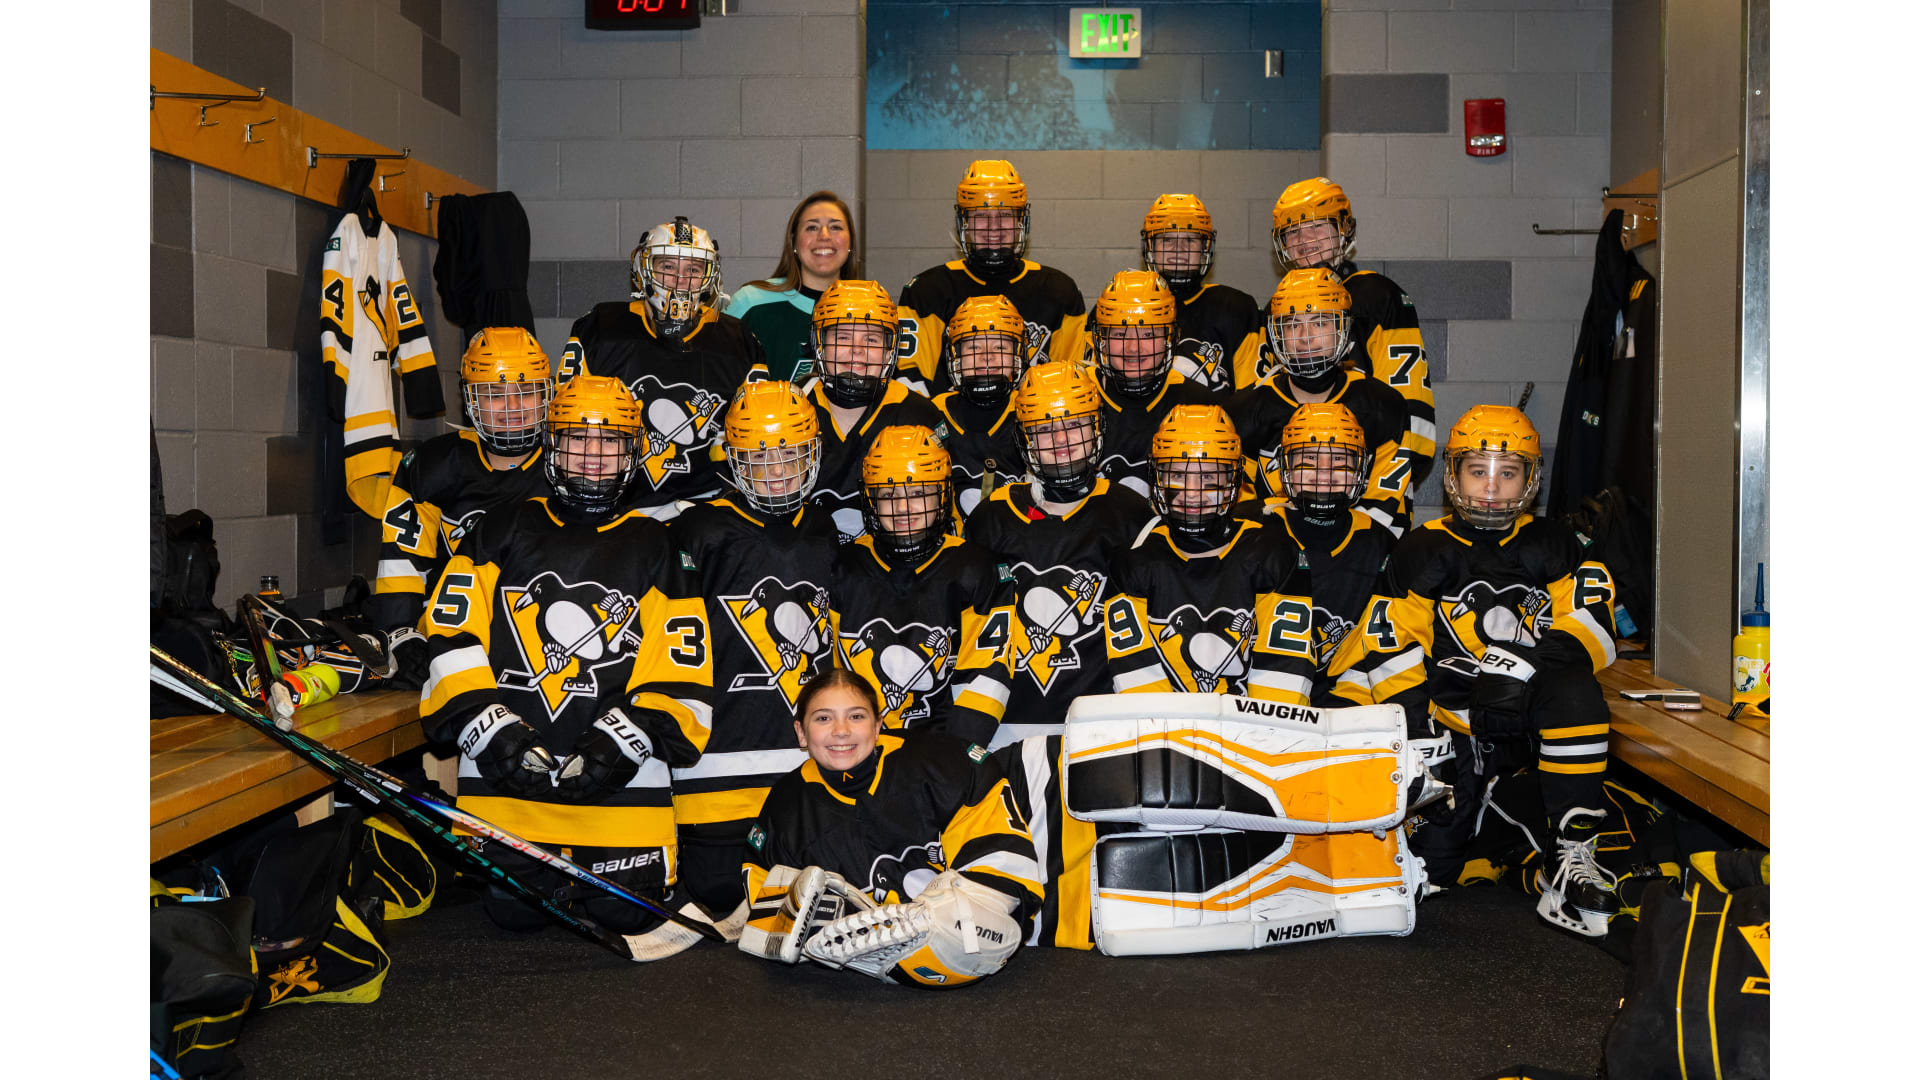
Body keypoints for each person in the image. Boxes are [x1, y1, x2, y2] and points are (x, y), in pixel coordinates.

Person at [416, 375, 715, 934]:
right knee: (513, 915)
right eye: (578, 438)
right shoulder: (499, 530)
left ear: (633, 451)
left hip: (623, 794)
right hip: (509, 790)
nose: (593, 454)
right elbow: (450, 635)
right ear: (553, 444)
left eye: (610, 441)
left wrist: (624, 741)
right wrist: (488, 728)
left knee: (624, 914)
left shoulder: (657, 545)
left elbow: (681, 667)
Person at [1329, 404, 1623, 937]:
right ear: (1453, 474)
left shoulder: (1555, 543)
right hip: (1449, 719)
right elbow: (1389, 644)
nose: (1491, 487)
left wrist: (1525, 666)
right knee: (1433, 865)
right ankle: (1491, 817)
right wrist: (1418, 730)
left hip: (1525, 714)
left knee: (1577, 692)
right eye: (1477, 471)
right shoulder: (1422, 547)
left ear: (1530, 479)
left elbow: (1596, 627)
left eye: (1507, 472)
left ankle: (1571, 852)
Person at [737, 668, 1042, 988]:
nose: (841, 731)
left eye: (856, 716)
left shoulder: (946, 764)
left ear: (878, 725)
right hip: (856, 991)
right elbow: (767, 917)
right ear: (801, 732)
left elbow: (1007, 879)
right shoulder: (785, 807)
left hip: (963, 950)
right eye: (823, 718)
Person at [664, 380, 843, 915]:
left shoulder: (822, 529)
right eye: (760, 458)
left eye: (791, 456)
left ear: (813, 455)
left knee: (817, 893)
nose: (779, 471)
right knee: (719, 894)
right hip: (717, 762)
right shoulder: (697, 530)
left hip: (803, 759)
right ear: (735, 461)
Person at [960, 361, 1155, 748]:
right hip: (1003, 722)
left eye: (1074, 424)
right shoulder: (991, 517)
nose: (1062, 440)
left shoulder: (1129, 513)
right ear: (1025, 439)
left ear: (1097, 427)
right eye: (1045, 429)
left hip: (1102, 723)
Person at [371, 327, 554, 687]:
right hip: (451, 634)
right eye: (494, 394)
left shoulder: (571, 465)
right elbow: (402, 561)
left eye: (527, 391)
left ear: (547, 395)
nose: (513, 407)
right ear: (471, 400)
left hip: (540, 639)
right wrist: (400, 632)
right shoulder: (432, 465)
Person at [558, 216, 767, 519]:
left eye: (693, 270)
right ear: (644, 269)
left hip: (702, 508)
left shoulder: (738, 341)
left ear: (709, 276)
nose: (680, 280)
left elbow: (752, 440)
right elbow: (569, 428)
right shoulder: (601, 329)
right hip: (613, 503)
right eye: (667, 267)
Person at [1103, 405, 1316, 701]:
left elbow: (1283, 675)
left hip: (1250, 727)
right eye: (1178, 475)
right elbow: (1136, 676)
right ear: (1157, 478)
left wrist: (1251, 727)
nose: (1192, 491)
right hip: (1164, 726)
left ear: (1232, 482)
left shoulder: (1273, 552)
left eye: (1208, 477)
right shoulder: (1132, 562)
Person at [830, 425, 1012, 741]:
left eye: (918, 493)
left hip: (941, 751)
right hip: (858, 751)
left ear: (943, 494)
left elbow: (986, 677)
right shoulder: (842, 568)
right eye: (888, 495)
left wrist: (953, 757)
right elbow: (827, 677)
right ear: (870, 499)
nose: (903, 508)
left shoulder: (975, 569)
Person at [1266, 177, 1436, 482]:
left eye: (1317, 226)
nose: (1304, 239)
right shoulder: (1276, 308)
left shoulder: (1375, 295)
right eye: (1293, 231)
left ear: (1344, 229)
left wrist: (1388, 484)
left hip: (1366, 476)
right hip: (1296, 479)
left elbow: (1410, 403)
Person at [1229, 269, 1419, 535]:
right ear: (1276, 333)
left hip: (1355, 550)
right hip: (1273, 549)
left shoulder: (1382, 405)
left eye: (1320, 323)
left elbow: (1384, 507)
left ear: (1343, 328)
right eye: (1292, 324)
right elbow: (1239, 512)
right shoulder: (1244, 410)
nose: (1305, 336)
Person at [895, 160, 1087, 397]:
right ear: (964, 223)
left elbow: (1073, 383)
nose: (993, 227)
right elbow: (911, 386)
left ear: (1021, 222)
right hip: (950, 419)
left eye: (1005, 215)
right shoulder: (927, 290)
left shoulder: (1059, 290)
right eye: (981, 215)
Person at [1256, 403, 1401, 706]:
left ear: (1360, 469)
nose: (1324, 471)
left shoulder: (1380, 543)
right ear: (1285, 467)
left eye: (1339, 459)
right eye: (1309, 458)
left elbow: (1384, 645)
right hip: (1260, 700)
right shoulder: (1254, 529)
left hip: (1343, 703)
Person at [799, 279, 946, 543]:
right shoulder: (791, 406)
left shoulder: (919, 415)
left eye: (871, 338)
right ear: (819, 343)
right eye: (842, 337)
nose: (857, 349)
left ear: (890, 350)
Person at [1084, 269, 1215, 499]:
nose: (1133, 348)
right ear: (1101, 340)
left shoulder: (1199, 404)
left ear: (1169, 339)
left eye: (1148, 335)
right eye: (1120, 334)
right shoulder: (1078, 396)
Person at [726, 192, 859, 383]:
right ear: (794, 241)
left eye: (835, 227)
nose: (824, 236)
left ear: (851, 242)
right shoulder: (751, 302)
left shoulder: (871, 311)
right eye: (812, 227)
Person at [1139, 193, 1259, 393]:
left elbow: (1251, 396)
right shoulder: (1123, 305)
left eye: (1190, 240)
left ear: (1204, 249)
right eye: (1167, 240)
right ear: (1151, 248)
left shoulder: (1236, 308)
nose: (1179, 249)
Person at [930, 294, 1029, 521]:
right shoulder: (932, 413)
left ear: (1017, 354)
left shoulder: (1031, 411)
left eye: (1000, 347)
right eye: (974, 347)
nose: (987, 357)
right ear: (956, 356)